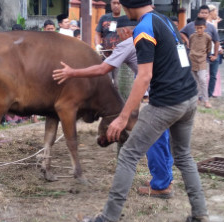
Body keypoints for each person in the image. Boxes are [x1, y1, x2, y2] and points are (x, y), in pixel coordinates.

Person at [81, 0, 210, 222]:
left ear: (127, 5)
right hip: (189, 98)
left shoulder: (143, 29)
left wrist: (122, 118)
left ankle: (107, 220)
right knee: (184, 156)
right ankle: (200, 216)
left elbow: (144, 76)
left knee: (128, 155)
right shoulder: (165, 21)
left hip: (167, 103)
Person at [52, 16, 175, 198]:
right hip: (174, 91)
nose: (116, 40)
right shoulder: (155, 37)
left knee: (151, 139)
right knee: (163, 138)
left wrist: (72, 72)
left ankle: (160, 186)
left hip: (158, 95)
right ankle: (165, 178)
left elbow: (102, 69)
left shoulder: (128, 43)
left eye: (117, 35)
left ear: (125, 31)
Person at [180, 5, 220, 98]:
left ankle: (206, 97)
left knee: (203, 78)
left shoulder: (211, 27)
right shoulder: (191, 25)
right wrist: (187, 40)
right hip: (192, 56)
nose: (204, 14)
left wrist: (215, 55)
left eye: (206, 13)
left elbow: (216, 41)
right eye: (202, 12)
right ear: (198, 13)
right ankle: (193, 96)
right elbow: (181, 32)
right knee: (192, 77)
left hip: (203, 58)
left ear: (208, 14)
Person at [188, 18, 213, 108]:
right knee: (195, 81)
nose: (199, 30)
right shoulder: (192, 37)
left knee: (203, 80)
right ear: (195, 27)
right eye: (197, 28)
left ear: (205, 27)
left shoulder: (207, 37)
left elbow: (209, 48)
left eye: (201, 28)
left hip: (202, 60)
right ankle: (197, 98)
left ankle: (206, 100)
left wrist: (205, 55)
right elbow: (190, 46)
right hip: (192, 60)